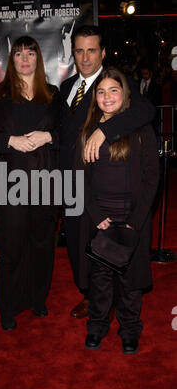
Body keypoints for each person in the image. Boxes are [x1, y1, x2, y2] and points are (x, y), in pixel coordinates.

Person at [59, 25, 156, 320]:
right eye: (79, 50)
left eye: (92, 50)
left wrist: (105, 130)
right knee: (78, 241)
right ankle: (91, 295)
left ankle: (114, 299)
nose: (85, 57)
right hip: (72, 181)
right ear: (73, 53)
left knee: (109, 239)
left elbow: (146, 112)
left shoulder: (116, 82)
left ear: (102, 52)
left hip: (104, 179)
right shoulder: (66, 88)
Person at [0, 35, 61, 331]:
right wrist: (8, 141)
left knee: (42, 243)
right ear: (12, 61)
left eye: (30, 53)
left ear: (38, 58)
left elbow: (69, 133)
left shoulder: (52, 93)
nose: (25, 59)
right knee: (11, 245)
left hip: (47, 183)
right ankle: (9, 306)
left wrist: (48, 136)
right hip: (10, 183)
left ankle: (38, 298)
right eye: (19, 54)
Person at [76, 67, 159, 354]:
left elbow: (152, 177)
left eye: (114, 90)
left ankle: (130, 329)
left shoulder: (140, 129)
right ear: (94, 97)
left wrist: (136, 220)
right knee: (99, 281)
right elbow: (79, 179)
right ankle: (96, 327)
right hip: (100, 220)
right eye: (101, 91)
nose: (107, 96)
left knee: (130, 282)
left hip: (131, 220)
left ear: (125, 95)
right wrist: (97, 216)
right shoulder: (87, 131)